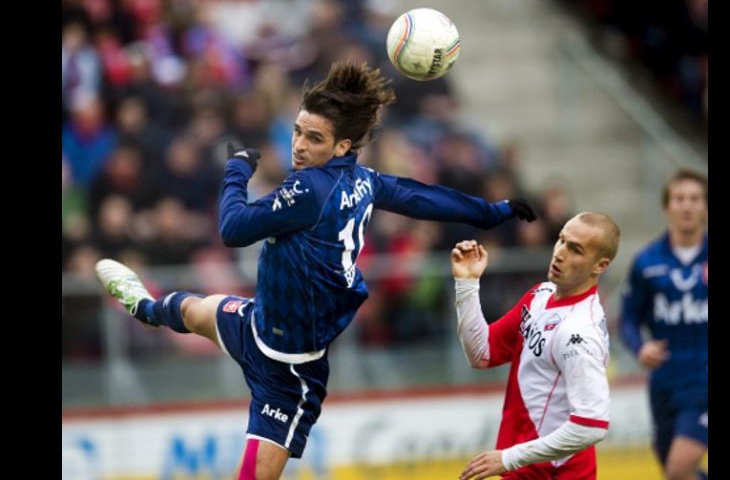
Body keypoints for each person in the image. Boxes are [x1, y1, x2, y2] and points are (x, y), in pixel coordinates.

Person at [94, 60, 536, 480]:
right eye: (297, 131)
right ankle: (145, 307)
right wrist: (489, 211)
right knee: (192, 312)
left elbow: (231, 228)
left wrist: (236, 169)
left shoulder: (310, 189)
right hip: (258, 325)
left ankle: (150, 309)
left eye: (314, 139)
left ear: (343, 146)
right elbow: (420, 197)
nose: (300, 146)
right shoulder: (363, 181)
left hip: (290, 372)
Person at [451, 212, 620, 479]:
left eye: (575, 250)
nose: (560, 253)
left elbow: (592, 425)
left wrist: (509, 457)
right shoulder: (540, 296)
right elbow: (482, 353)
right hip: (524, 468)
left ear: (600, 266)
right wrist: (467, 284)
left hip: (555, 472)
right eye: (561, 240)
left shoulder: (579, 332)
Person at [620, 169, 708, 480]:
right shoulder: (647, 262)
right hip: (665, 382)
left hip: (704, 380)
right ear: (667, 207)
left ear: (705, 207)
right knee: (673, 469)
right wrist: (639, 346)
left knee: (678, 469)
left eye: (695, 199)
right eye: (680, 199)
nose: (687, 206)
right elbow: (628, 318)